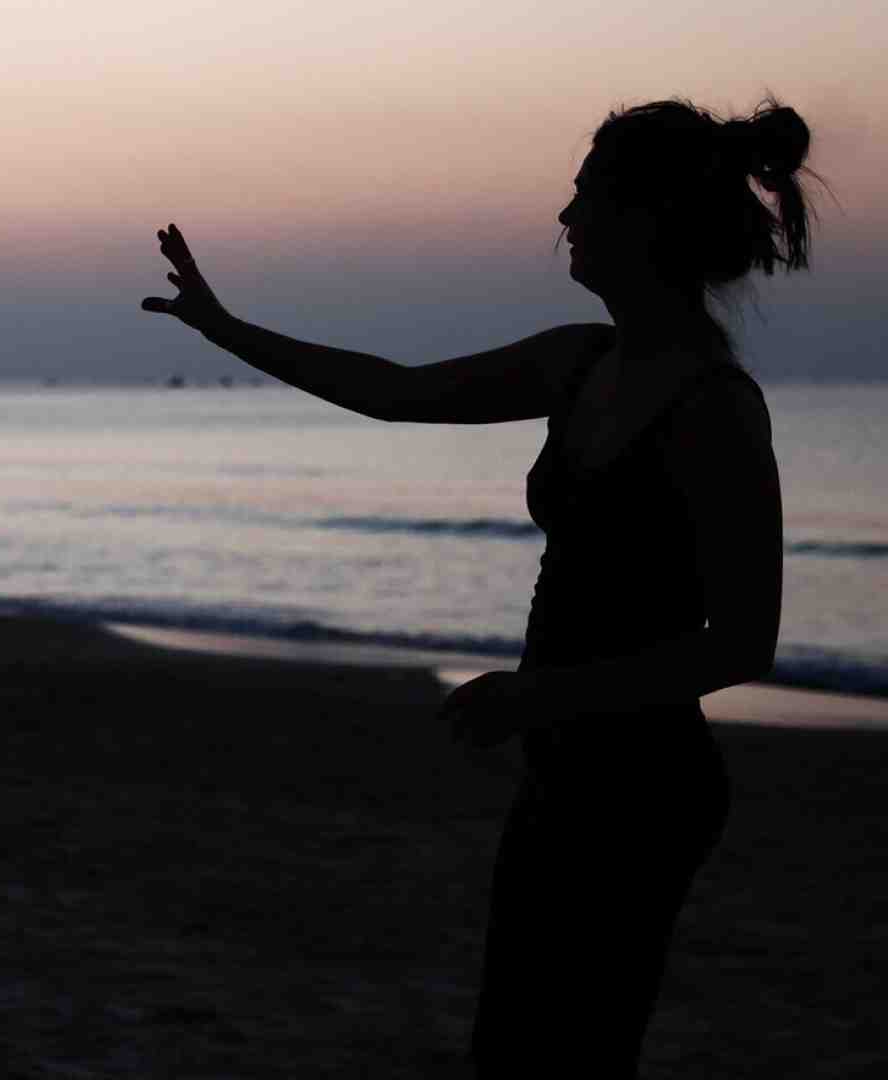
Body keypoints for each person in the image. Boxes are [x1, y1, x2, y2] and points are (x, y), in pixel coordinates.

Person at [142, 98, 810, 1076]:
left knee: (571, 1049)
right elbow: (396, 391)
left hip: (646, 787)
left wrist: (546, 692)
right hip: (564, 768)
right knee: (519, 1046)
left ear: (650, 216)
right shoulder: (580, 362)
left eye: (587, 195)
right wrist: (224, 328)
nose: (565, 216)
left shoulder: (713, 410)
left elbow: (742, 643)